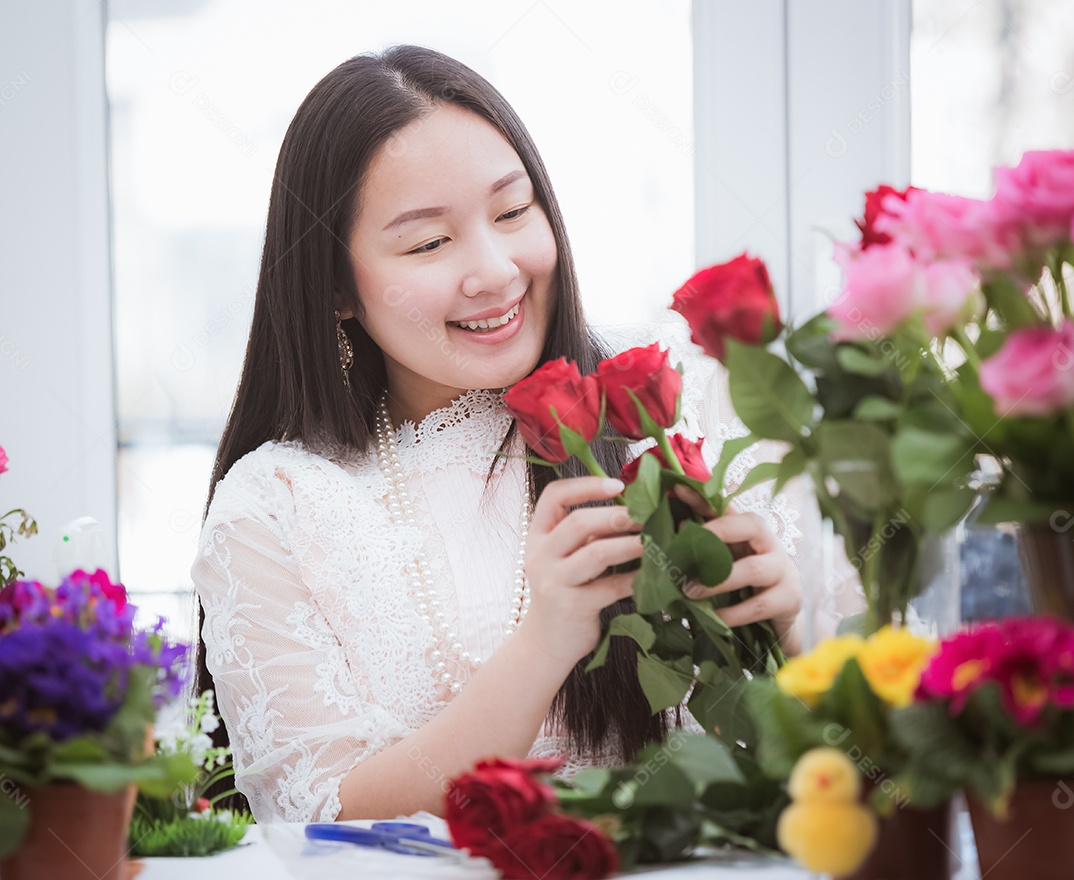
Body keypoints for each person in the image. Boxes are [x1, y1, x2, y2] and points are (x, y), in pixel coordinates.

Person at [190, 44, 846, 826]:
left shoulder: (680, 402)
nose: (496, 270)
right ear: (335, 286)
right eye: (430, 242)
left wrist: (789, 633)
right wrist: (545, 643)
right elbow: (318, 817)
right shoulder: (276, 506)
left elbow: (864, 749)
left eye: (512, 211)